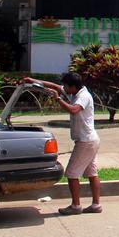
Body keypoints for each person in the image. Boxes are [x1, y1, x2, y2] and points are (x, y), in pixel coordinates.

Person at [24, 72, 102, 215]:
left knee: (72, 173)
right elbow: (55, 86)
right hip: (90, 139)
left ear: (73, 87)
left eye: (66, 86)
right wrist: (32, 80)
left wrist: (58, 99)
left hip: (86, 141)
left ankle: (76, 206)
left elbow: (74, 110)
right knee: (91, 172)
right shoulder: (74, 92)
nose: (64, 88)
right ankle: (96, 205)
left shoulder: (83, 96)